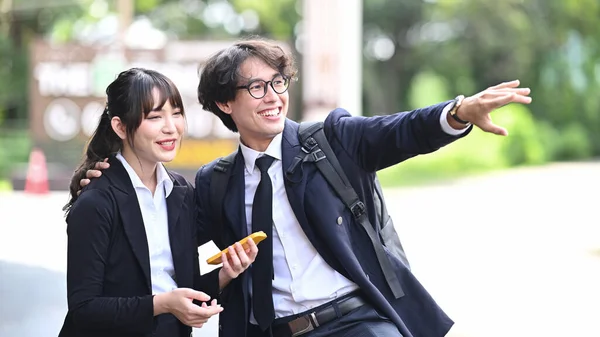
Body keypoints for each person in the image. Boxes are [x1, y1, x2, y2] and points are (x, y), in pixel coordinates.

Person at [80, 38, 532, 337]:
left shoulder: (333, 139)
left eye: (278, 83)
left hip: (356, 321)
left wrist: (455, 113)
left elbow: (399, 131)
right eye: (256, 87)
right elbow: (156, 242)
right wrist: (103, 181)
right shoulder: (214, 183)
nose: (273, 95)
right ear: (224, 103)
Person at [60, 67, 257, 337]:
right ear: (120, 126)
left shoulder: (181, 193)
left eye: (176, 114)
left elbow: (179, 287)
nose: (171, 127)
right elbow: (84, 309)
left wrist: (225, 273)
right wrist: (162, 304)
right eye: (155, 116)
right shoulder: (97, 201)